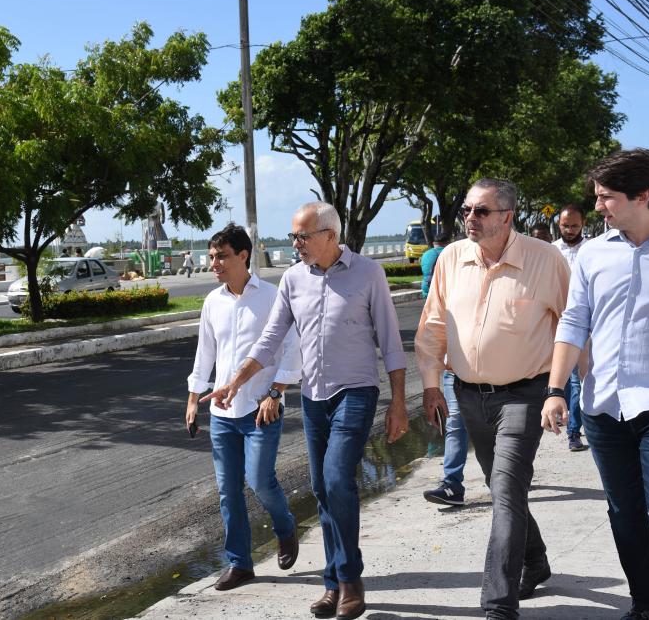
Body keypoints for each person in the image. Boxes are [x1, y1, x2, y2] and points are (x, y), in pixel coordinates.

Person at [207, 201, 409, 620]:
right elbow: (270, 339)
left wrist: (399, 403)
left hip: (356, 391)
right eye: (293, 236)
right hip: (314, 397)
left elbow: (391, 343)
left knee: (337, 480)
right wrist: (235, 381)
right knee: (321, 488)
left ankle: (350, 581)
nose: (295, 243)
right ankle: (333, 584)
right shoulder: (293, 278)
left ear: (330, 235)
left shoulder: (368, 273)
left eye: (302, 236)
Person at [416, 178, 569, 620]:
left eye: (481, 211)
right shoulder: (450, 258)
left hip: (525, 394)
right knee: (503, 488)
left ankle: (498, 605)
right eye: (467, 210)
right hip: (468, 396)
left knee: (504, 491)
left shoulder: (545, 259)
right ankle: (535, 560)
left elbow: (573, 325)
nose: (470, 218)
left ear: (507, 216)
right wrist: (431, 383)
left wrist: (563, 390)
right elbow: (433, 325)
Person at [541, 149, 649, 620]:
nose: (597, 206)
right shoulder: (593, 254)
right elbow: (575, 321)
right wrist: (556, 390)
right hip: (603, 407)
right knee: (624, 513)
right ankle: (642, 604)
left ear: (643, 195)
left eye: (607, 197)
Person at [185, 224, 302, 591]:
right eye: (211, 257)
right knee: (228, 491)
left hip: (261, 408)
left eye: (221, 256)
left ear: (243, 256)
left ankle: (286, 527)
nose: (214, 264)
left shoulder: (271, 297)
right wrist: (193, 398)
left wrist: (276, 393)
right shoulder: (213, 302)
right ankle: (240, 564)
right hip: (223, 414)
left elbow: (292, 348)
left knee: (260, 481)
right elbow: (206, 352)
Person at [418, 231, 469, 507]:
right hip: (453, 370)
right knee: (455, 425)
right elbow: (431, 334)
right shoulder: (444, 287)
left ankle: (507, 478)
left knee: (494, 432)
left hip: (494, 375)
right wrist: (432, 384)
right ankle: (452, 485)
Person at [551, 203, 590, 452]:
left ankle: (574, 432)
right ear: (559, 224)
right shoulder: (551, 251)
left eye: (574, 225)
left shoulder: (592, 250)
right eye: (565, 225)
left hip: (583, 326)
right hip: (555, 324)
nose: (570, 230)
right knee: (559, 379)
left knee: (577, 381)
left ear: (583, 224)